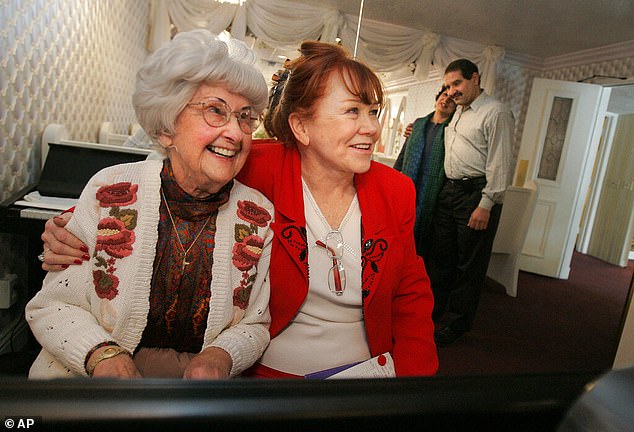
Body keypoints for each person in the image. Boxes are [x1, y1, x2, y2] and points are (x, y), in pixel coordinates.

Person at [40, 41, 438, 377]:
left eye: (374, 112)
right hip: (268, 376)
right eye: (353, 111)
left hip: (365, 372)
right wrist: (67, 224)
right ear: (301, 128)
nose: (371, 127)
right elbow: (166, 174)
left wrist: (413, 384)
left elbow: (409, 291)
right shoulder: (256, 165)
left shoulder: (394, 190)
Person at [26, 29, 274, 379]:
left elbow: (256, 322)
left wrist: (221, 355)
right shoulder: (110, 189)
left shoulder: (259, 215)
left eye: (245, 117)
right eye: (216, 111)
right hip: (86, 384)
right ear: (166, 128)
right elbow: (53, 304)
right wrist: (101, 355)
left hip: (200, 399)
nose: (235, 132)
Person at [428, 58, 515, 346]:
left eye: (457, 83)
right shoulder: (458, 112)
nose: (451, 91)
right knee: (441, 260)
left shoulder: (496, 112)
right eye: (448, 85)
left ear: (475, 78)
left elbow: (501, 164)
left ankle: (456, 325)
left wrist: (486, 204)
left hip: (476, 195)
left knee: (469, 266)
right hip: (449, 192)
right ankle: (431, 315)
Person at [393, 86, 456, 259]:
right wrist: (394, 179)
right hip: (410, 182)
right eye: (444, 96)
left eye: (451, 101)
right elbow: (403, 155)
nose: (446, 101)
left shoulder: (453, 131)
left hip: (433, 189)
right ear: (437, 98)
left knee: (424, 233)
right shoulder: (418, 125)